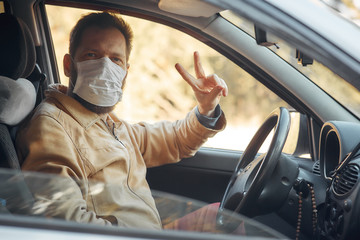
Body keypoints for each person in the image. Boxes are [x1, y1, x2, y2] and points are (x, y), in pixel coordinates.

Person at [15, 12, 227, 230]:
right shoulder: (51, 126)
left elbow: (176, 140)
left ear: (125, 71)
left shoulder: (110, 123)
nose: (105, 67)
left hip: (154, 231)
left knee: (226, 220)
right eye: (91, 55)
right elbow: (65, 221)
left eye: (116, 59)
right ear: (69, 65)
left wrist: (206, 109)